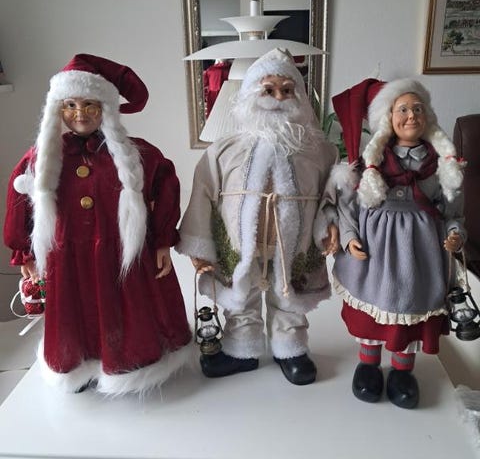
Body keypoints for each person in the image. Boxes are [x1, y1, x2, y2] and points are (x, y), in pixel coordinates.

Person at [3, 54, 192, 395]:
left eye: (89, 104)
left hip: (121, 256)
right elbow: (20, 200)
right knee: (77, 312)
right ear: (58, 109)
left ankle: (130, 362)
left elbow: (165, 186)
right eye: (70, 105)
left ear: (105, 107)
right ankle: (78, 365)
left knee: (124, 307)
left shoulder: (135, 155)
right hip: (68, 257)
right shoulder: (44, 158)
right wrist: (24, 253)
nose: (80, 113)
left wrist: (163, 240)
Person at [176, 48, 338, 385]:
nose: (278, 97)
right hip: (239, 245)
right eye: (268, 89)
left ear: (299, 95)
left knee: (288, 295)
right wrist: (199, 247)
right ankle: (241, 350)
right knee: (241, 296)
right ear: (251, 94)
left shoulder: (320, 150)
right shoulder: (223, 150)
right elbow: (203, 195)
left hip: (294, 245)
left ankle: (290, 349)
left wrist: (331, 224)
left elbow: (330, 194)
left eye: (287, 90)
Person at [331, 78, 466, 408]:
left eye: (417, 109)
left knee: (410, 306)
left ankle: (403, 371)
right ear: (388, 118)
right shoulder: (371, 162)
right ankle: (368, 365)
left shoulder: (440, 165)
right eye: (402, 109)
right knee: (373, 306)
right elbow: (348, 204)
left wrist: (455, 234)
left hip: (418, 254)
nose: (411, 116)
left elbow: (452, 211)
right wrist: (349, 237)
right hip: (375, 252)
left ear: (427, 115)